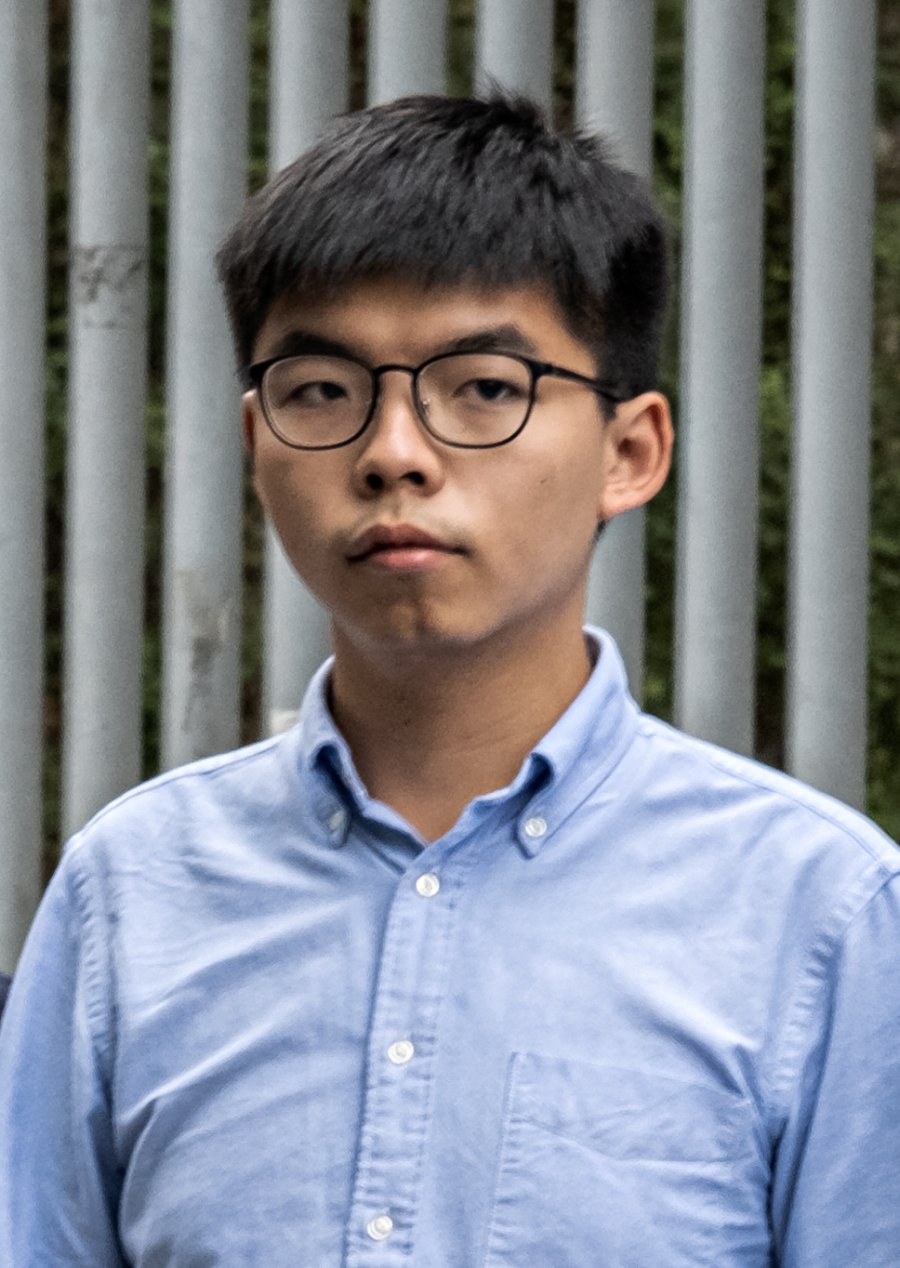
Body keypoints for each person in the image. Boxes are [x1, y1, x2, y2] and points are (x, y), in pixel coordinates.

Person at [1, 93, 898, 1267]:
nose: (393, 453)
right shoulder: (131, 894)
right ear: (256, 445)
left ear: (630, 452)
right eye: (322, 389)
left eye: (483, 386)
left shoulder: (822, 914)